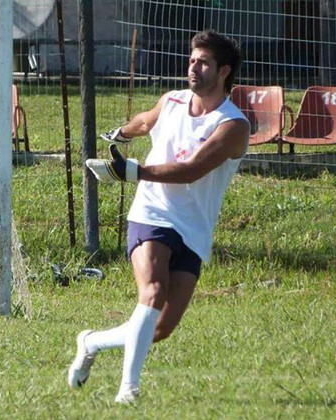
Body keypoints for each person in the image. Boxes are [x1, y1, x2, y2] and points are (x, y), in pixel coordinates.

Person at [68, 30, 250, 403]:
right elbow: (145, 121)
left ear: (224, 71)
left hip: (193, 227)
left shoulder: (233, 127)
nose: (193, 69)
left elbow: (191, 170)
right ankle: (128, 391)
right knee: (151, 294)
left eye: (203, 63)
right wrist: (120, 133)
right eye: (192, 60)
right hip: (151, 212)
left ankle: (91, 341)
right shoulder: (171, 101)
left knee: (160, 326)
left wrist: (133, 172)